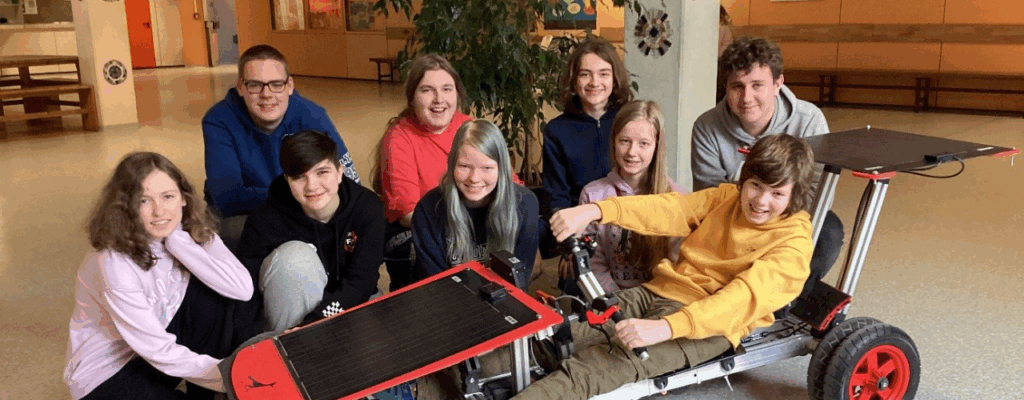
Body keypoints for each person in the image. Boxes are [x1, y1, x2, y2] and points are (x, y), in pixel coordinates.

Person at [514, 134, 816, 400]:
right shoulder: (727, 198)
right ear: (745, 180)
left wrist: (665, 328)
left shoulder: (794, 244)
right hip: (658, 291)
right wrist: (595, 210)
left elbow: (739, 300)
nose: (761, 200)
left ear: (795, 196)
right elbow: (669, 208)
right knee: (554, 339)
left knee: (587, 371)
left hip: (708, 326)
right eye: (755, 186)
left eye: (777, 193)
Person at [64, 152, 254, 400]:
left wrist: (179, 242)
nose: (159, 211)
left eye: (168, 197)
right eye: (144, 201)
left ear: (183, 198)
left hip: (159, 349)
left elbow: (241, 289)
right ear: (125, 207)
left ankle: (203, 394)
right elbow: (157, 351)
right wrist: (233, 378)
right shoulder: (112, 262)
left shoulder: (188, 230)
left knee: (214, 291)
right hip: (109, 373)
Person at [691, 36, 842, 299]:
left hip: (789, 216)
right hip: (734, 216)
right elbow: (711, 195)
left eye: (757, 85)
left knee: (829, 231)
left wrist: (771, 220)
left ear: (777, 84)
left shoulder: (809, 121)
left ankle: (788, 301)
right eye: (737, 86)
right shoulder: (707, 127)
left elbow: (817, 193)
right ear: (725, 87)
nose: (746, 98)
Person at [202, 44, 360, 249]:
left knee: (352, 227)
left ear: (289, 85)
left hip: (306, 205)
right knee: (231, 233)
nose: (266, 94)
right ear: (240, 87)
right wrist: (301, 195)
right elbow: (227, 198)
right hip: (250, 213)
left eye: (276, 84)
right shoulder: (218, 120)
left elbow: (348, 180)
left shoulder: (311, 114)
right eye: (255, 85)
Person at [236, 130, 384, 332]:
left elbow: (361, 283)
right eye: (299, 177)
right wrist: (251, 342)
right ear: (287, 180)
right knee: (294, 259)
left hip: (352, 302)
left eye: (322, 172)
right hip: (289, 319)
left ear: (340, 172)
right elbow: (245, 291)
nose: (312, 186)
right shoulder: (264, 220)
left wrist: (315, 322)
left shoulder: (367, 208)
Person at [372, 53, 472, 290]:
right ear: (412, 97)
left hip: (469, 223)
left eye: (447, 89)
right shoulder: (399, 139)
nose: (439, 99)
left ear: (457, 94)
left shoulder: (467, 126)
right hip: (421, 232)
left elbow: (510, 183)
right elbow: (409, 214)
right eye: (427, 90)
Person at [541, 38, 633, 294]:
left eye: (603, 73)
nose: (595, 82)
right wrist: (570, 247)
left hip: (630, 224)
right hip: (584, 231)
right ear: (574, 80)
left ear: (615, 79)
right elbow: (557, 197)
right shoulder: (557, 131)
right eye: (585, 74)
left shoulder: (631, 120)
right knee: (582, 298)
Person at [578, 100, 687, 294]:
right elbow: (593, 263)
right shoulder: (592, 194)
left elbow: (678, 265)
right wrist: (620, 302)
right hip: (612, 299)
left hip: (660, 297)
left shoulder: (677, 197)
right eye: (625, 141)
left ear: (657, 146)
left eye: (643, 143)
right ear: (614, 141)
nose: (631, 152)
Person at [411, 119, 539, 280]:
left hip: (503, 293)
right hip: (446, 293)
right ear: (451, 164)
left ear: (502, 168)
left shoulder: (525, 203)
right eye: (464, 166)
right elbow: (435, 283)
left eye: (487, 168)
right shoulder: (428, 209)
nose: (474, 178)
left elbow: (520, 277)